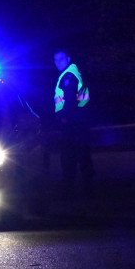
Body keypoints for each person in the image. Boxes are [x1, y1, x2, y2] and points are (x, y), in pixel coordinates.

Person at [53, 49, 94, 200]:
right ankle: (88, 191)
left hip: (72, 124)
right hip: (80, 121)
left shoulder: (68, 76)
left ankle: (69, 193)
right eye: (55, 60)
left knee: (69, 158)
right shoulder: (74, 72)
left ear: (68, 58)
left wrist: (64, 118)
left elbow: (70, 99)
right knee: (83, 156)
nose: (58, 62)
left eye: (61, 59)